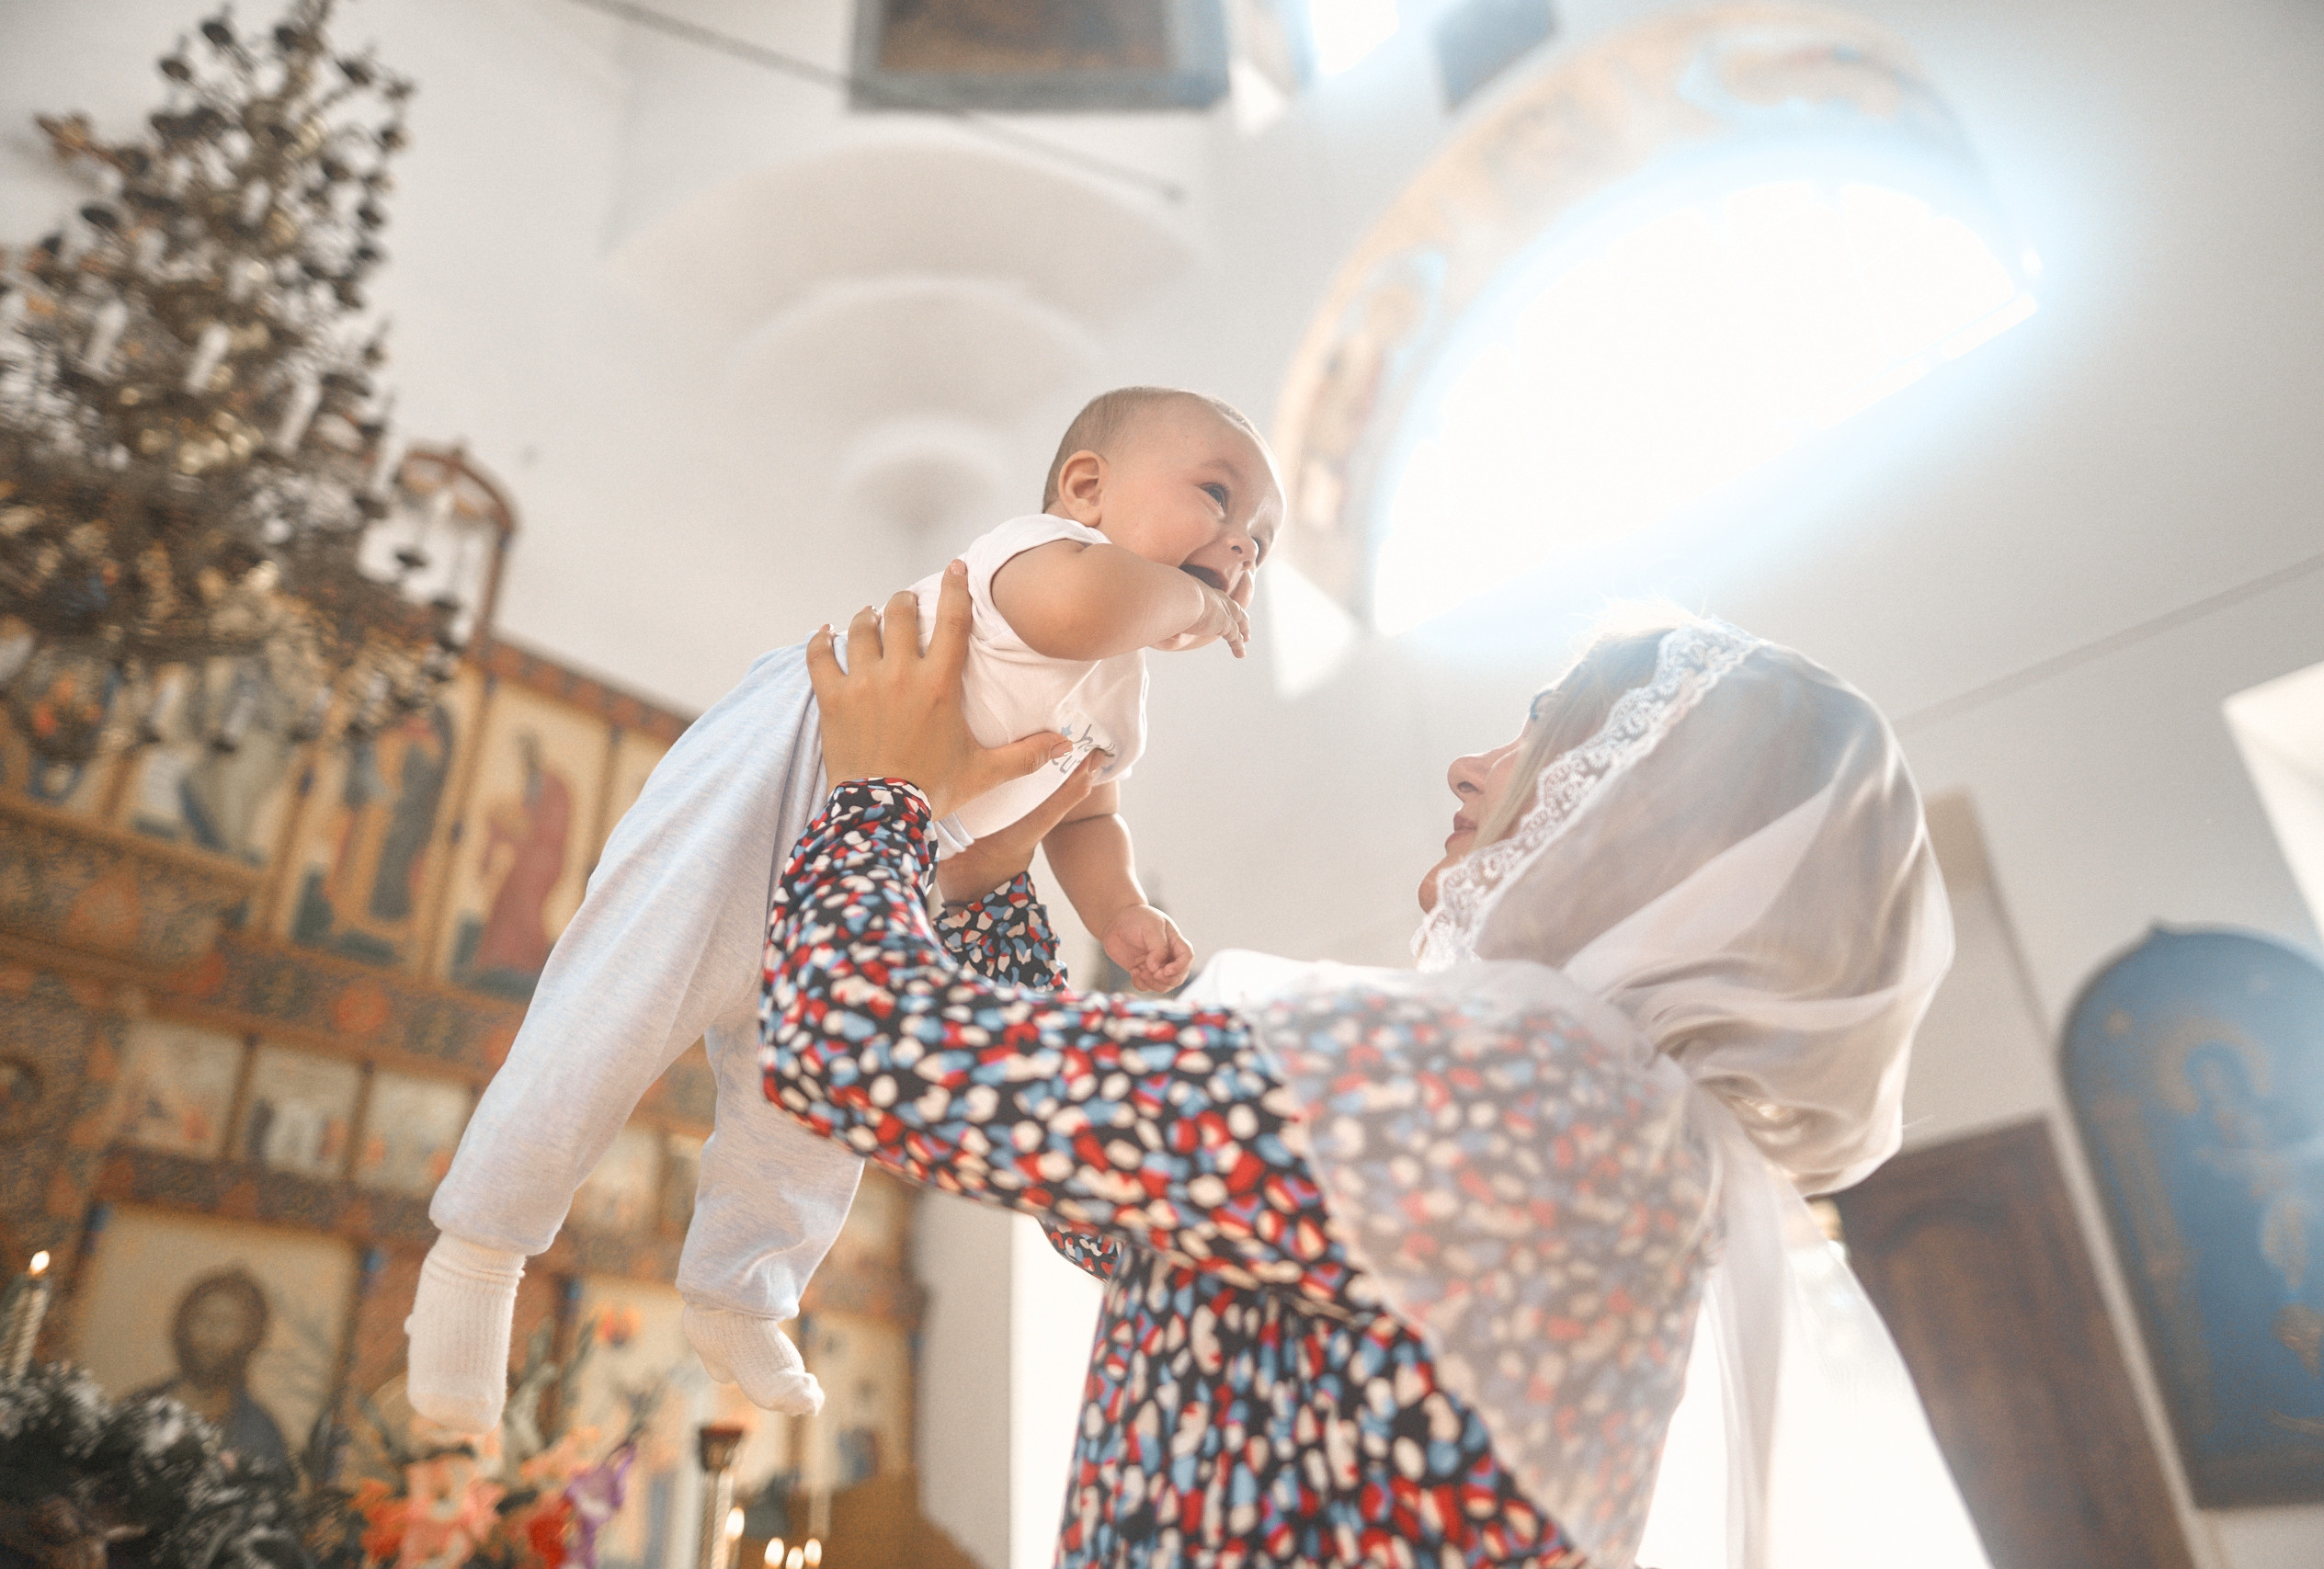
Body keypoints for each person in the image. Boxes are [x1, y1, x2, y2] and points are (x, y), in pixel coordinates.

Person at [750, 578, 1989, 1568]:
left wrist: (883, 792)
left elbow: (850, 1044)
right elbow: (1118, 1197)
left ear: (1662, 822)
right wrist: (995, 868)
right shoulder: (1615, 1134)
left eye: (1549, 737)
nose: (1469, 765)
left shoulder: (1539, 1088)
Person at [408, 387, 1281, 1435]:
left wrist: (1120, 908)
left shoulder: (1120, 689)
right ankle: (479, 1254)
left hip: (893, 851)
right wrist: (1198, 603)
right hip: (788, 762)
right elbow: (1096, 606)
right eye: (1218, 499)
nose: (1240, 549)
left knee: (819, 1081)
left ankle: (741, 1290)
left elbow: (1085, 813)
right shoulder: (1042, 557)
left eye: (1261, 545)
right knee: (623, 998)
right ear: (1086, 491)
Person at [137, 1268, 293, 1480]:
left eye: (226, 1323)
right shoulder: (139, 1407)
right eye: (202, 1318)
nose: (210, 1333)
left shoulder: (261, 1432)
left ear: (251, 1337)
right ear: (182, 1325)